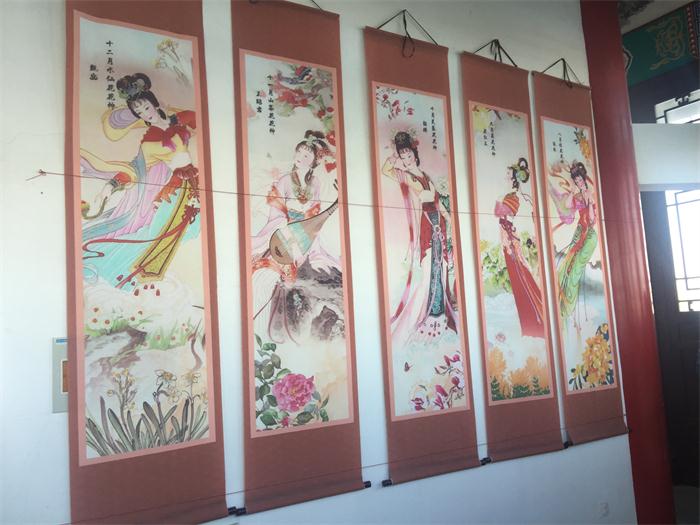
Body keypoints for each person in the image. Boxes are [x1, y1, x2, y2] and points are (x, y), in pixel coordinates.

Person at [80, 73, 200, 289]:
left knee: (188, 231)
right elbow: (136, 169)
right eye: (140, 111)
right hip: (170, 189)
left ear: (154, 104)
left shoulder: (181, 119)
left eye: (146, 107)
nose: (146, 113)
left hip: (190, 184)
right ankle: (127, 276)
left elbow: (202, 123)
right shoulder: (149, 141)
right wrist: (111, 186)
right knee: (158, 233)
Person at [251, 130, 338, 342]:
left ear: (314, 161)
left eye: (307, 155)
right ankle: (256, 325)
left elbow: (315, 213)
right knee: (266, 277)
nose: (300, 157)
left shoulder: (315, 183)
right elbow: (276, 208)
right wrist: (285, 226)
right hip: (282, 233)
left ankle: (278, 327)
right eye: (299, 152)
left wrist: (305, 231)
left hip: (302, 237)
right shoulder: (284, 180)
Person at [382, 131, 458, 345]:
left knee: (440, 269)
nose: (407, 159)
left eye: (408, 155)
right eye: (403, 156)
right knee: (429, 271)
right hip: (428, 225)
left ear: (414, 154)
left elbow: (438, 202)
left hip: (439, 224)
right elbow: (386, 170)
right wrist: (394, 158)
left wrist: (449, 220)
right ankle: (426, 316)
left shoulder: (425, 176)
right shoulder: (408, 177)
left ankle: (440, 314)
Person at [493, 158, 544, 338]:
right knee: (517, 278)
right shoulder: (510, 195)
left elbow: (498, 212)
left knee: (520, 277)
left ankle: (534, 320)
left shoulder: (513, 197)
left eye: (508, 174)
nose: (506, 176)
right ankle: (529, 322)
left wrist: (500, 198)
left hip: (510, 240)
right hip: (507, 238)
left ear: (514, 177)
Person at [548, 161, 598, 324]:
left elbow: (592, 220)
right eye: (576, 181)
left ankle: (568, 307)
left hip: (589, 234)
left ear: (584, 179)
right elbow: (567, 205)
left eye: (580, 180)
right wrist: (573, 191)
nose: (579, 183)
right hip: (579, 231)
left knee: (575, 268)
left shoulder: (590, 194)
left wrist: (589, 203)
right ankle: (560, 303)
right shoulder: (577, 195)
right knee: (566, 266)